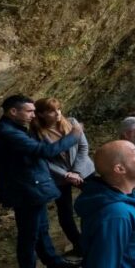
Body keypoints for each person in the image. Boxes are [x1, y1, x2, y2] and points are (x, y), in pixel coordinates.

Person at [0, 95, 82, 268]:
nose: (33, 115)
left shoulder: (15, 129)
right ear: (13, 111)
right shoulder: (7, 132)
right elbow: (44, 151)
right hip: (25, 190)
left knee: (41, 229)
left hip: (31, 187)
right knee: (28, 237)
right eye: (29, 111)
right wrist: (73, 136)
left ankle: (53, 262)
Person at [32, 97, 94, 258]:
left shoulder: (71, 122)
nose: (58, 113)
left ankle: (97, 236)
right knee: (65, 212)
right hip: (59, 176)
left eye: (58, 109)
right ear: (41, 114)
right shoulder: (36, 134)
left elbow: (83, 147)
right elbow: (42, 159)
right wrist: (65, 174)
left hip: (83, 170)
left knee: (98, 199)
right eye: (52, 111)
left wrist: (77, 171)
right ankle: (79, 245)